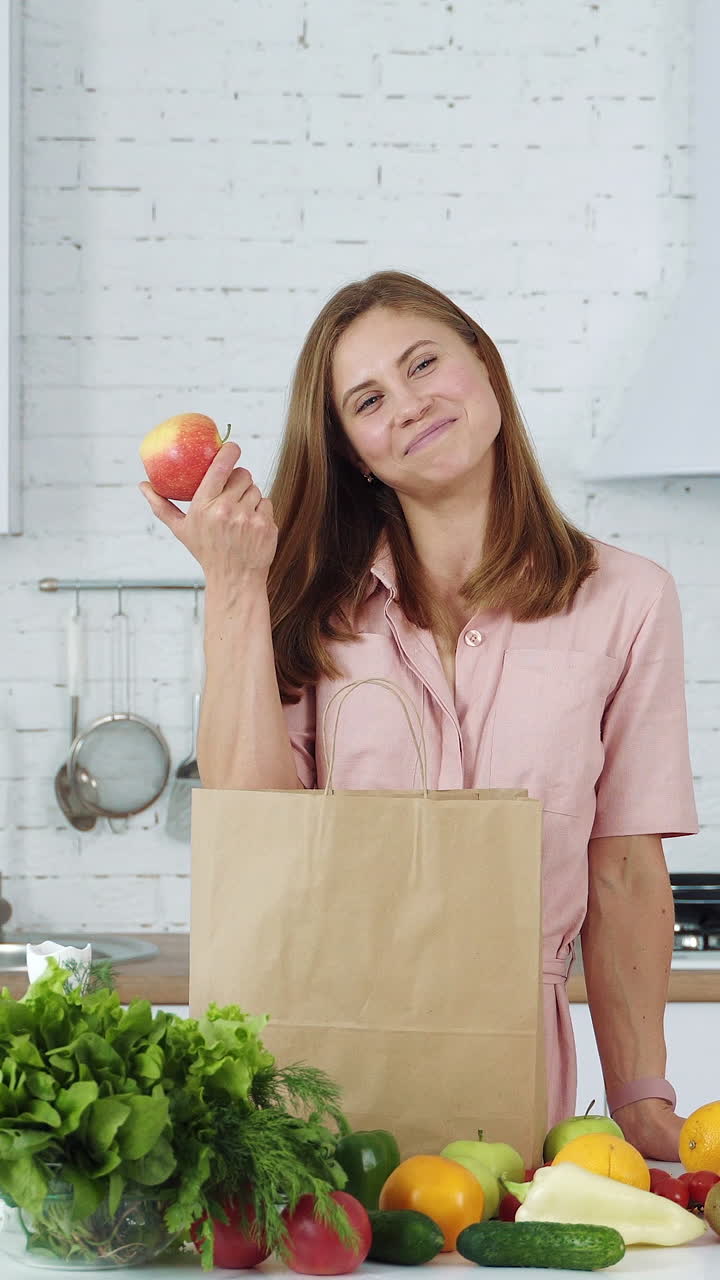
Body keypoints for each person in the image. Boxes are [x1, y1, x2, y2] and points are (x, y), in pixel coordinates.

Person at [140, 270, 698, 1159]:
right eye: (368, 399)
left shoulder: (628, 600)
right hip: (314, 1076)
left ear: (484, 364)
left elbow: (624, 868)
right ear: (356, 451)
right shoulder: (304, 603)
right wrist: (237, 587)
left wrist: (639, 1096)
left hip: (517, 1078)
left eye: (423, 363)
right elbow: (252, 822)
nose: (406, 404)